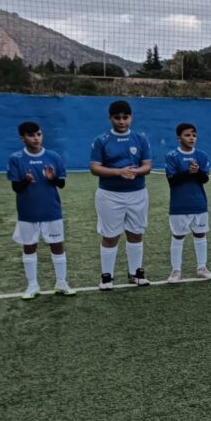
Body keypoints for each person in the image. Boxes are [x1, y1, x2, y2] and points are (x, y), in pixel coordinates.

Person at [7, 121, 75, 298]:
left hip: (51, 210)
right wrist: (26, 181)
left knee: (57, 245)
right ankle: (32, 286)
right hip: (27, 212)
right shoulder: (16, 158)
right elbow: (16, 188)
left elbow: (61, 183)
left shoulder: (53, 156)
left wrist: (52, 179)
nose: (36, 138)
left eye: (39, 134)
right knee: (29, 247)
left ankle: (61, 282)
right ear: (22, 138)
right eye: (31, 135)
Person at [90, 100, 153, 290]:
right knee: (110, 236)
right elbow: (94, 168)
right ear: (110, 118)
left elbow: (147, 166)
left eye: (125, 117)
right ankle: (107, 276)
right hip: (110, 195)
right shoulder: (101, 140)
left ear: (131, 117)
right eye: (117, 118)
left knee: (136, 233)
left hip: (137, 194)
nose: (122, 121)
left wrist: (135, 172)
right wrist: (119, 172)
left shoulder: (140, 139)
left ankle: (135, 273)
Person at [165, 123, 211, 283]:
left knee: (200, 235)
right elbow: (172, 180)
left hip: (199, 204)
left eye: (194, 135)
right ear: (178, 138)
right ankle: (176, 271)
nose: (191, 138)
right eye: (187, 135)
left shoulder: (202, 155)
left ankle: (202, 268)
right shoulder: (172, 156)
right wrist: (188, 172)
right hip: (179, 205)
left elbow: (205, 179)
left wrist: (197, 171)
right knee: (178, 236)